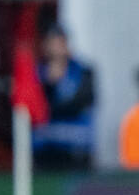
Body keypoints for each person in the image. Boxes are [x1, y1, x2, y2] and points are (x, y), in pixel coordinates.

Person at [31, 24, 97, 169]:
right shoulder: (38, 73)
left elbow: (80, 103)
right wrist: (49, 85)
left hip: (76, 150)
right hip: (45, 151)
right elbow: (35, 107)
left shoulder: (83, 71)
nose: (56, 48)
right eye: (52, 43)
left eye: (60, 43)